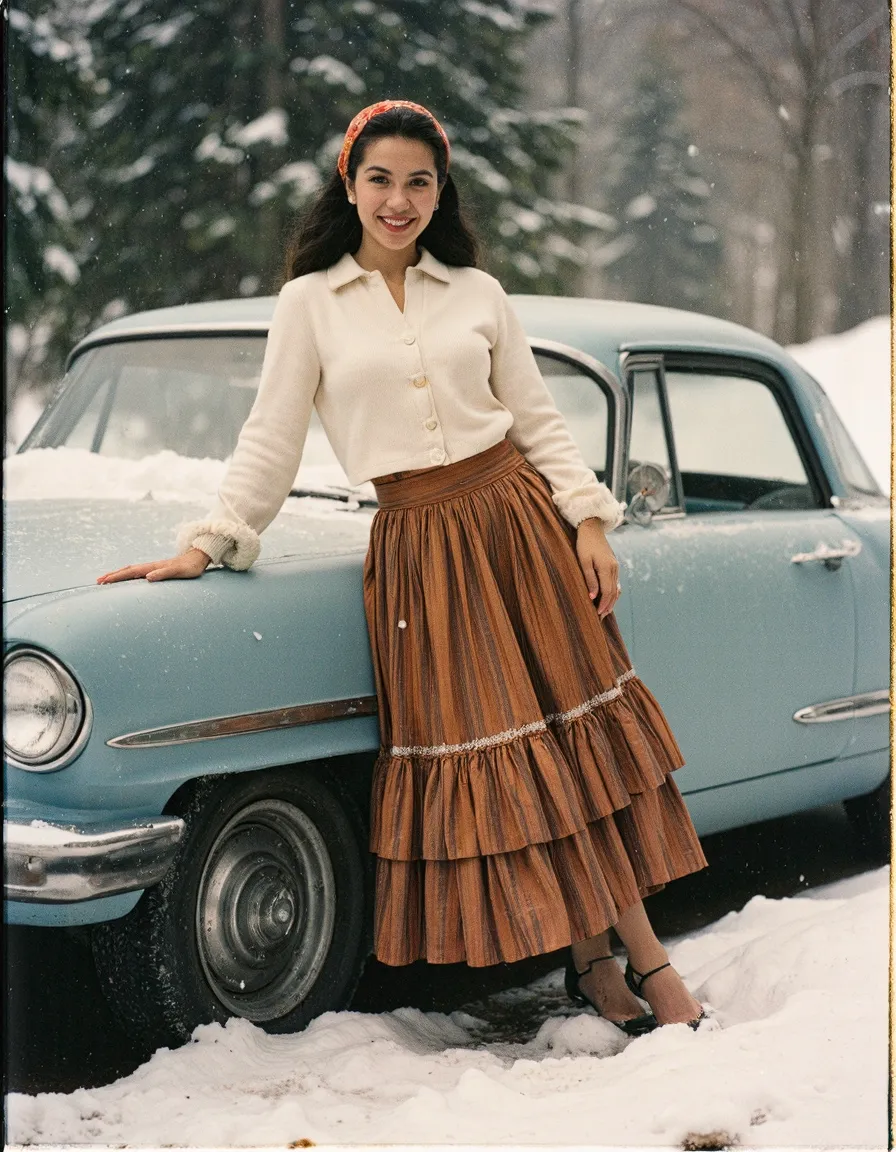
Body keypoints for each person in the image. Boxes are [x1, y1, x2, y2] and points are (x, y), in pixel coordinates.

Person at [98, 99, 710, 1034]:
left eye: (418, 181)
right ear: (348, 186)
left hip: (519, 527)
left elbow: (539, 420)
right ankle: (612, 962)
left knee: (570, 751)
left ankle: (629, 961)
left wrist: (587, 519)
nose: (398, 199)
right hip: (423, 555)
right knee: (520, 759)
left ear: (440, 190)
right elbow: (271, 434)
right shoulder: (310, 303)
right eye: (379, 179)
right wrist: (210, 540)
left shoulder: (475, 292)